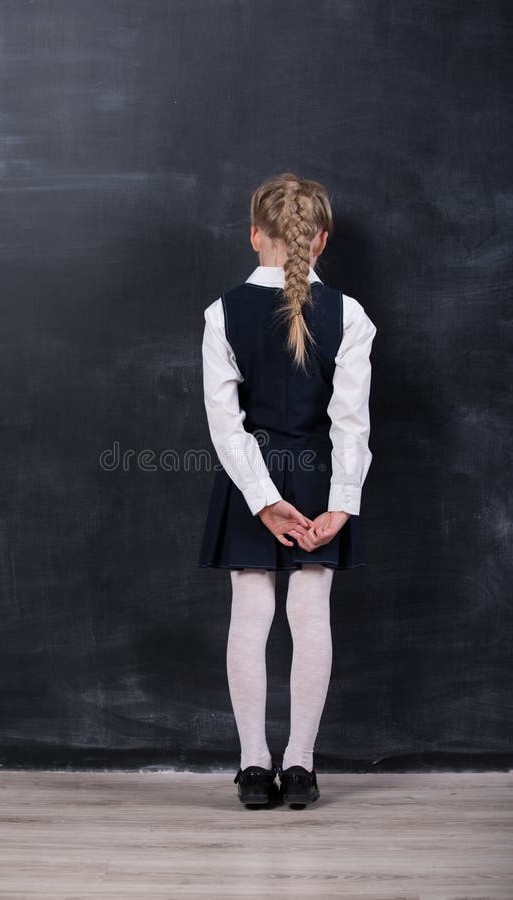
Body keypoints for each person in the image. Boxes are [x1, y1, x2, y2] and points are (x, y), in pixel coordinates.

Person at [197, 172, 377, 808]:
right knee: (310, 614)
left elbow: (226, 424)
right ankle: (299, 767)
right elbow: (349, 421)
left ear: (254, 235)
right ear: (320, 241)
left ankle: (254, 767)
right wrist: (340, 503)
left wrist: (262, 498)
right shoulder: (350, 315)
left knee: (250, 613)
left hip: (255, 478)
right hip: (320, 475)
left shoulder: (222, 314)